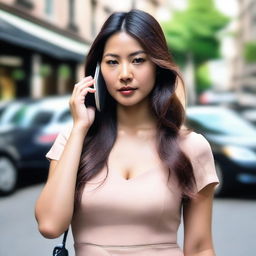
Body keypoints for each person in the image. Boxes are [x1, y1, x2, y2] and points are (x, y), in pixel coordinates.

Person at [35, 9, 219, 256]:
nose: (124, 74)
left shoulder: (191, 147)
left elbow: (200, 248)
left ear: (157, 65)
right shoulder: (75, 140)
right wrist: (79, 128)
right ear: (98, 71)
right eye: (112, 62)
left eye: (138, 60)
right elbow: (50, 225)